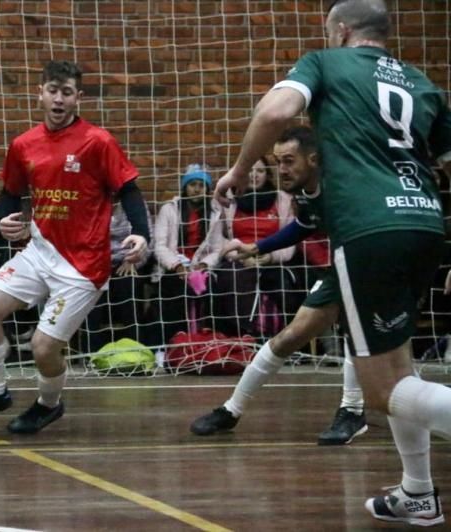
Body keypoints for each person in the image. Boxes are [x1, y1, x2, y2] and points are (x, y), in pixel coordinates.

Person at [214, 0, 451, 526]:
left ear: (340, 31)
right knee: (399, 365)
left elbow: (275, 112)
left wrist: (238, 169)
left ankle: (419, 490)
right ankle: (418, 493)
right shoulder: (422, 83)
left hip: (368, 228)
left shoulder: (324, 62)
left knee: (383, 391)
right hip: (426, 225)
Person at [0, 60, 149, 434]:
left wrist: (142, 233)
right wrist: (4, 220)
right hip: (39, 251)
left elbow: (129, 189)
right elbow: (10, 195)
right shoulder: (23, 144)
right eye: (52, 90)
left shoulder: (98, 141)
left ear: (79, 97)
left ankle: (48, 404)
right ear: (40, 93)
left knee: (43, 348)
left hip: (83, 265)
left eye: (67, 92)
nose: (59, 99)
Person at [190, 126, 367, 446]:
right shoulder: (304, 190)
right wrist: (256, 247)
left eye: (288, 161)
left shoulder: (342, 187)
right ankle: (231, 410)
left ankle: (353, 411)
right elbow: (305, 224)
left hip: (376, 263)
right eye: (278, 162)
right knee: (289, 336)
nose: (281, 169)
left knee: (371, 346)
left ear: (313, 160)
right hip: (343, 265)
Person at [194, 156, 297, 337]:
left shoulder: (283, 201)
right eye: (249, 170)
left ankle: (285, 338)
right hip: (238, 258)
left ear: (268, 174)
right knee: (232, 275)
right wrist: (240, 254)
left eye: (260, 171)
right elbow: (217, 239)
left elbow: (291, 239)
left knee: (283, 283)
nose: (254, 175)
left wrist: (269, 256)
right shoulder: (227, 200)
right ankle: (242, 333)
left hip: (271, 260)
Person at [80, 200, 153, 354]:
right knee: (90, 291)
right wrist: (97, 264)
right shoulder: (91, 200)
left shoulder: (135, 205)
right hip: (96, 262)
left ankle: (135, 349)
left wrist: (133, 261)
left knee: (129, 285)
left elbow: (149, 240)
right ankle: (91, 353)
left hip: (127, 261)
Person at [153, 164, 215, 342]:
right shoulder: (169, 209)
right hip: (174, 267)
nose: (197, 189)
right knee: (174, 289)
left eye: (201, 185)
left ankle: (206, 338)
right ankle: (174, 341)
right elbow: (160, 246)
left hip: (201, 266)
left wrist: (204, 265)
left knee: (214, 289)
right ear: (185, 186)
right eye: (192, 184)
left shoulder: (215, 212)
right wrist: (177, 266)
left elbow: (217, 248)